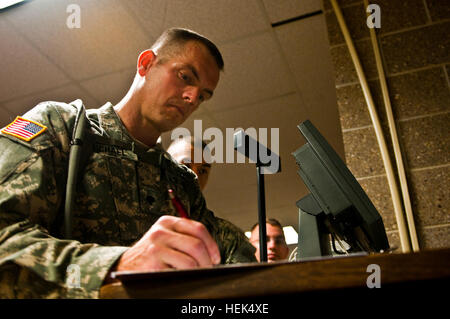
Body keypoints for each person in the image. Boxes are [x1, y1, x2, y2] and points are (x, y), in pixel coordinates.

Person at [0, 28, 256, 299]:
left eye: (203, 95)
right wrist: (115, 265)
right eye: (185, 77)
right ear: (146, 63)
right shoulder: (61, 127)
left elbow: (229, 247)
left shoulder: (181, 183)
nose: (192, 98)